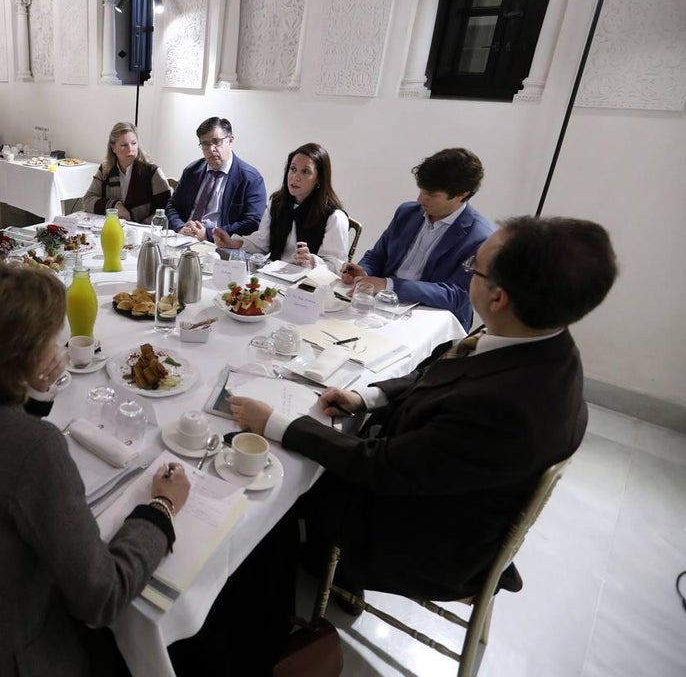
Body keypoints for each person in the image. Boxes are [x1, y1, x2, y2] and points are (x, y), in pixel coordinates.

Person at [230, 216, 618, 611]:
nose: (469, 275)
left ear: (498, 297)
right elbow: (439, 370)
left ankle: (277, 597)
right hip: (436, 479)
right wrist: (368, 397)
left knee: (278, 487)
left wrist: (279, 424)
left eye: (473, 268)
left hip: (424, 536)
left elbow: (381, 467)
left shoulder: (505, 406)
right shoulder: (540, 341)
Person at [0, 261, 190, 676]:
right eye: (53, 339)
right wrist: (161, 510)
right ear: (24, 354)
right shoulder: (35, 450)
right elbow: (101, 597)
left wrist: (33, 393)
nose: (60, 350)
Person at [340, 147, 494, 330]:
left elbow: (457, 296)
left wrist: (389, 284)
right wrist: (364, 272)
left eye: (432, 194)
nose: (420, 199)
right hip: (380, 306)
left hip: (429, 319)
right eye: (421, 190)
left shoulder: (481, 237)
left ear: (462, 194)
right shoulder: (407, 212)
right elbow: (377, 255)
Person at [213, 142, 350, 270]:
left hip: (307, 286)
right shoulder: (277, 203)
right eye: (293, 169)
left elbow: (337, 265)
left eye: (305, 172)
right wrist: (233, 243)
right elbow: (262, 242)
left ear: (319, 179)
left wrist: (312, 262)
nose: (295, 177)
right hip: (273, 275)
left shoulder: (334, 217)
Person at [165, 117, 266, 242]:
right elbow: (172, 206)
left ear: (230, 141)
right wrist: (180, 227)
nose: (211, 149)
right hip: (184, 238)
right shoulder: (192, 171)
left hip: (220, 245)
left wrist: (209, 234)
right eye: (205, 144)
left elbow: (252, 223)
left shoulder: (251, 178)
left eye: (216, 142)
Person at [79, 121, 171, 222]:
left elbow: (166, 210)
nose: (130, 149)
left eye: (134, 143)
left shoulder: (152, 172)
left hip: (143, 232)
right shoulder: (106, 169)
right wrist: (115, 206)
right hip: (113, 228)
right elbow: (87, 200)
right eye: (124, 145)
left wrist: (141, 228)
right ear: (113, 148)